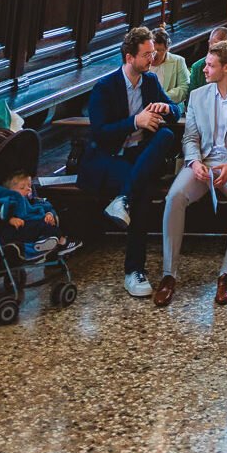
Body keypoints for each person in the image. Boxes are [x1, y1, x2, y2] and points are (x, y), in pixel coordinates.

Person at [155, 38, 227, 308]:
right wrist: (194, 162)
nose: (204, 69)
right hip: (203, 162)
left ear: (226, 68)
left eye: (210, 65)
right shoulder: (198, 95)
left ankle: (226, 274)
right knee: (175, 197)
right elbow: (190, 137)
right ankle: (169, 275)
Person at [80, 25, 181, 299]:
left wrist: (166, 108)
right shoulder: (105, 87)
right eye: (147, 54)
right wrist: (135, 121)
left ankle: (122, 198)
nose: (153, 59)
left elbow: (177, 108)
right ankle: (133, 271)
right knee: (144, 192)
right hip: (110, 157)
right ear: (129, 57)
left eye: (153, 53)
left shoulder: (149, 82)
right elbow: (100, 132)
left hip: (140, 156)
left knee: (167, 135)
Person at [0, 167, 76, 262]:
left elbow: (42, 204)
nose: (28, 189)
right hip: (16, 230)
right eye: (22, 187)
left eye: (29, 186)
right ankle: (62, 242)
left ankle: (44, 244)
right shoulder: (10, 199)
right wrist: (10, 219)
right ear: (9, 190)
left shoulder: (30, 199)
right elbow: (0, 213)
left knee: (49, 224)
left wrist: (48, 214)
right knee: (44, 226)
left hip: (30, 228)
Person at [149, 26, 190, 106]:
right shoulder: (142, 62)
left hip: (170, 106)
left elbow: (185, 88)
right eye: (152, 50)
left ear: (167, 49)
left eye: (160, 50)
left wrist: (161, 98)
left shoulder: (178, 61)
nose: (155, 55)